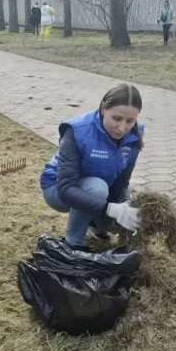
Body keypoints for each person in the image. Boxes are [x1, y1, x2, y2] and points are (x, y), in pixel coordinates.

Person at [40, 83, 144, 247]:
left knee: (105, 209)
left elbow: (121, 183)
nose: (122, 128)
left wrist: (125, 203)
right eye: (116, 118)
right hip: (57, 189)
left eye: (130, 121)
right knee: (97, 188)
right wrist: (110, 209)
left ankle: (94, 227)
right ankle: (73, 244)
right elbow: (66, 188)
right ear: (103, 109)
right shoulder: (77, 130)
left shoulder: (133, 138)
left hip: (93, 188)